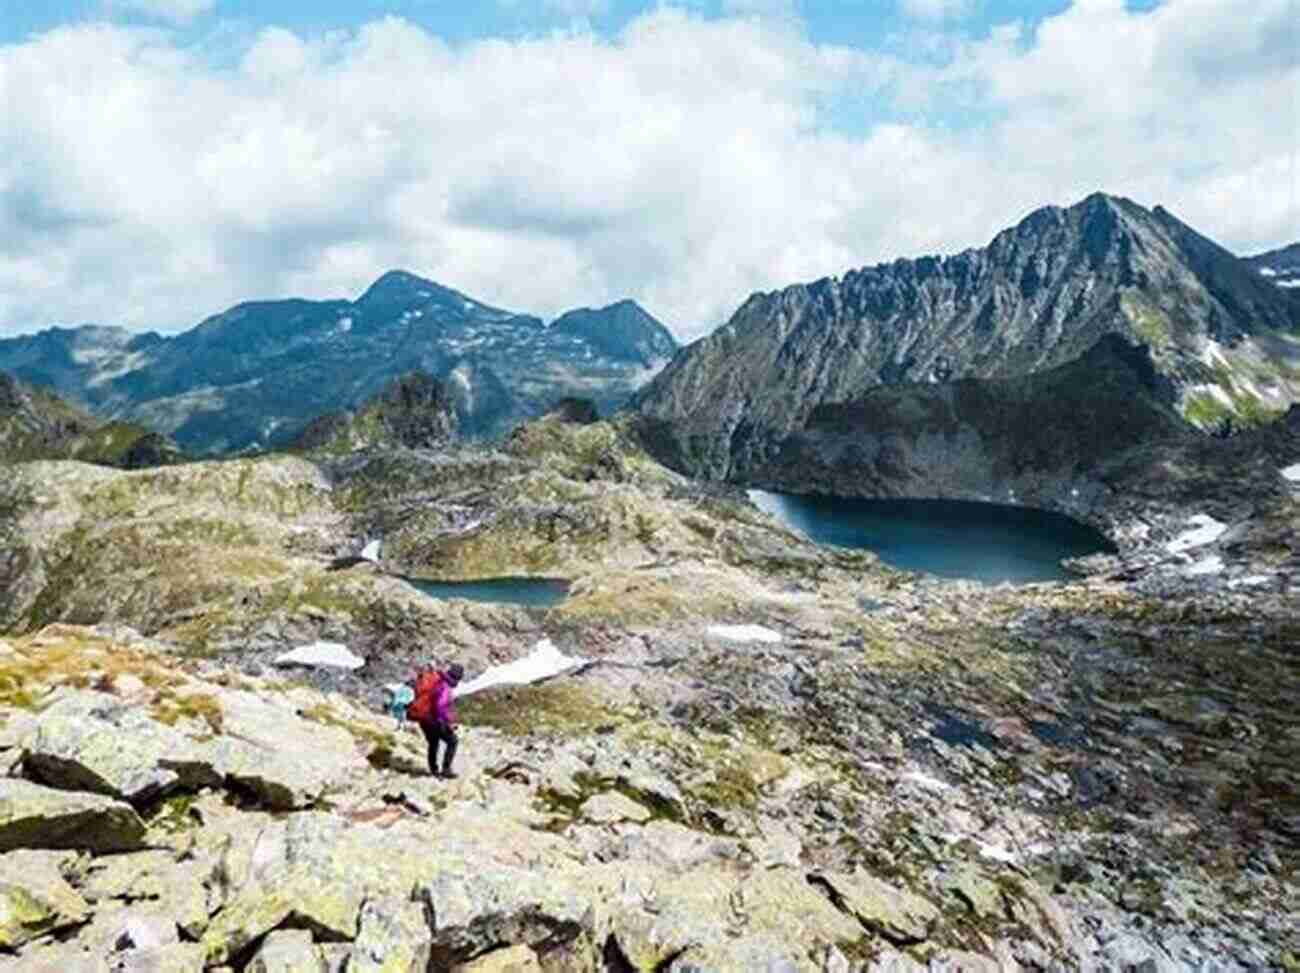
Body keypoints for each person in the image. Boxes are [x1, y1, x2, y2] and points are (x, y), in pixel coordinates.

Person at [406, 661, 464, 779]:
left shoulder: (437, 680)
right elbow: (440, 706)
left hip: (424, 718)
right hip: (434, 719)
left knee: (433, 743)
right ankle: (446, 770)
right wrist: (448, 722)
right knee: (453, 741)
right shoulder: (445, 686)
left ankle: (434, 770)